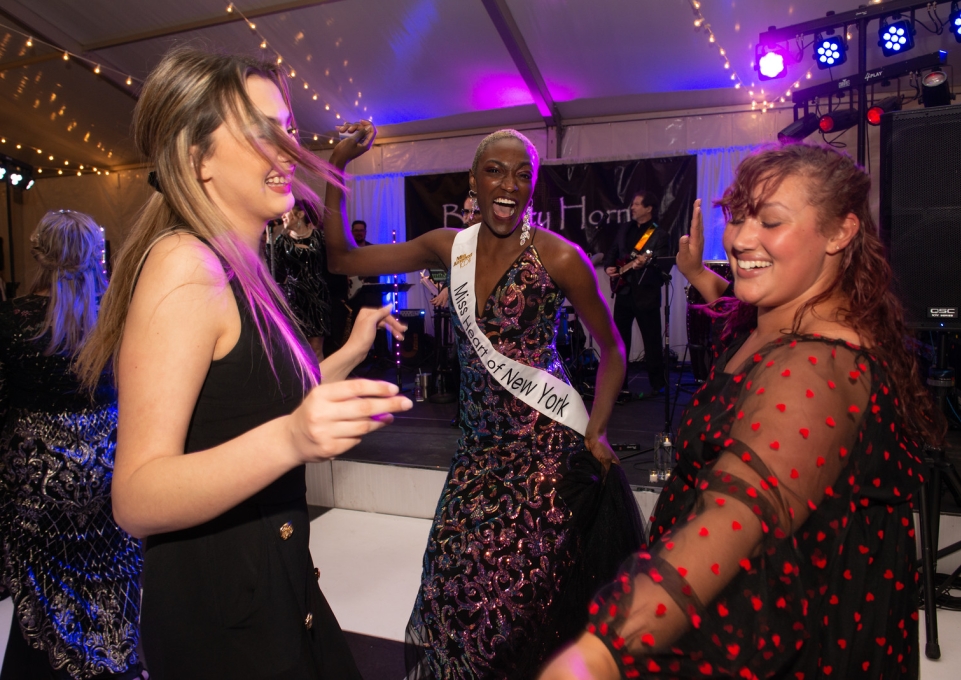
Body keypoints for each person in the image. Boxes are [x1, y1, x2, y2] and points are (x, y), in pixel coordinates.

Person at [540, 142, 942, 679]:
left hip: (774, 638)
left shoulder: (816, 368)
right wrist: (695, 273)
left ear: (841, 232)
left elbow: (734, 514)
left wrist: (604, 652)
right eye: (738, 217)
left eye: (770, 221)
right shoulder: (786, 313)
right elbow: (733, 303)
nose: (741, 238)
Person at [75, 47, 412, 680]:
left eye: (286, 126)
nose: (289, 147)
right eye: (261, 131)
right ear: (196, 158)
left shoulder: (242, 264)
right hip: (223, 621)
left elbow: (251, 404)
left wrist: (349, 354)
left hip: (273, 591)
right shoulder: (185, 265)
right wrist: (291, 439)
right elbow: (136, 495)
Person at [326, 127, 645, 678]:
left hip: (544, 459)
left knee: (522, 603)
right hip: (475, 457)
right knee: (452, 589)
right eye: (496, 170)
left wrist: (595, 430)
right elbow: (339, 259)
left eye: (523, 174)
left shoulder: (560, 258)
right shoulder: (448, 246)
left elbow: (613, 350)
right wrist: (336, 166)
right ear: (473, 182)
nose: (510, 184)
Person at [0, 210, 145, 680]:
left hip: (35, 486)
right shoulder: (117, 317)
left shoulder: (10, 320)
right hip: (109, 473)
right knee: (113, 588)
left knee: (41, 603)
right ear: (95, 255)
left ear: (37, 250)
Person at [603, 191, 670, 401]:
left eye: (637, 204)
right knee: (619, 342)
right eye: (633, 204)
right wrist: (609, 268)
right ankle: (619, 385)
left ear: (649, 208)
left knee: (651, 341)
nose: (633, 207)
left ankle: (658, 385)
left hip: (646, 294)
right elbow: (612, 252)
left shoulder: (659, 235)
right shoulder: (625, 229)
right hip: (623, 292)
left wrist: (646, 264)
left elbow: (662, 265)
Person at [269, 201, 333, 360]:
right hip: (294, 297)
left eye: (287, 212)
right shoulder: (281, 242)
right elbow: (274, 271)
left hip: (317, 295)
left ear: (300, 214)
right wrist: (272, 239)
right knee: (299, 345)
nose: (283, 215)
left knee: (316, 345)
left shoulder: (320, 237)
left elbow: (333, 264)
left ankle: (319, 382)